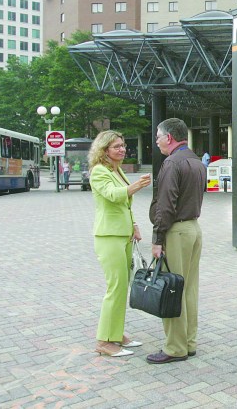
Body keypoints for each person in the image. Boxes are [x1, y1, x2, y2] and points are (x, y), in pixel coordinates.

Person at [88, 130, 152, 357]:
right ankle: (104, 341)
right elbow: (114, 195)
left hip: (123, 235)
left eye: (123, 145)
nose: (122, 149)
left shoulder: (117, 170)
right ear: (104, 150)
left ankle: (115, 333)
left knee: (122, 286)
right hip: (109, 237)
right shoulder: (99, 171)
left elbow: (125, 204)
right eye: (116, 146)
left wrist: (134, 225)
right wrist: (136, 186)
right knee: (114, 288)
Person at [148, 118, 206, 364]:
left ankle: (175, 347)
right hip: (193, 229)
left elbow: (166, 205)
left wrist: (157, 238)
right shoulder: (196, 161)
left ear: (169, 137)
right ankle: (189, 342)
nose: (157, 141)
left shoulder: (171, 163)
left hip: (176, 232)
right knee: (189, 289)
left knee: (171, 289)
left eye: (158, 136)